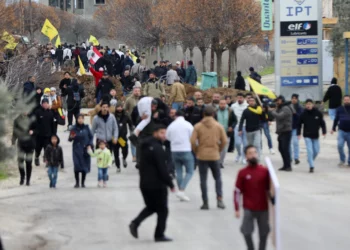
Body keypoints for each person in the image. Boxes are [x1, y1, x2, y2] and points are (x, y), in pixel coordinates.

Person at [129, 125, 175, 242]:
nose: (164, 135)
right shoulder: (157, 148)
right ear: (155, 133)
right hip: (157, 185)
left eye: (165, 133)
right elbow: (162, 168)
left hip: (144, 183)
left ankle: (135, 223)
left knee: (152, 207)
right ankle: (159, 235)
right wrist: (170, 183)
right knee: (163, 210)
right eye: (161, 133)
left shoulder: (145, 145)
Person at [234, 145, 270, 250]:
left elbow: (271, 189)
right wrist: (237, 208)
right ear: (246, 156)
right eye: (250, 153)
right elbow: (237, 191)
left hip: (263, 208)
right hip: (248, 207)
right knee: (246, 231)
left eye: (254, 152)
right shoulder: (242, 173)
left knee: (264, 233)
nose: (253, 155)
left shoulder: (265, 171)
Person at [191, 106, 227, 210]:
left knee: (203, 179)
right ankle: (219, 199)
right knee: (218, 178)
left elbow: (192, 141)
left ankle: (205, 202)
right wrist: (218, 150)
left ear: (203, 114)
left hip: (202, 155)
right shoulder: (218, 126)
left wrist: (197, 150)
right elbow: (224, 141)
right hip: (214, 155)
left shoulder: (198, 126)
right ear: (213, 114)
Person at [166, 110, 194, 201]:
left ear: (176, 116)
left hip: (174, 150)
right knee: (190, 171)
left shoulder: (171, 125)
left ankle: (181, 191)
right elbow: (192, 137)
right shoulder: (188, 125)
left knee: (178, 171)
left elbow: (167, 137)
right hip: (186, 149)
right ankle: (182, 190)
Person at [297, 99, 326, 173]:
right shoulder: (303, 114)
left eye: (310, 104)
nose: (308, 105)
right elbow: (299, 124)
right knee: (310, 150)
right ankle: (311, 166)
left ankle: (310, 160)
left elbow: (322, 123)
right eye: (307, 104)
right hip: (307, 135)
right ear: (305, 105)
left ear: (313, 105)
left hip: (315, 135)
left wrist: (324, 131)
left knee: (316, 151)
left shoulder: (318, 113)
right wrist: (298, 133)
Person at [69, 115, 93, 188]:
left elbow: (90, 137)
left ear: (83, 119)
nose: (80, 120)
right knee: (76, 165)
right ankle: (77, 182)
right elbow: (70, 139)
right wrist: (71, 137)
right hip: (76, 149)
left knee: (84, 166)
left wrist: (89, 144)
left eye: (81, 119)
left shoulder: (86, 127)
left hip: (85, 148)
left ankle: (83, 182)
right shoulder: (74, 128)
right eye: (79, 118)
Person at [270, 95, 294, 171]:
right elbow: (273, 117)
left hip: (286, 130)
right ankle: (285, 165)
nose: (277, 102)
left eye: (278, 100)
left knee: (285, 149)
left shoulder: (286, 108)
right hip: (281, 131)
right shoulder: (280, 108)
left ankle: (288, 166)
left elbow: (279, 116)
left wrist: (272, 111)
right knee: (281, 148)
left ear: (282, 100)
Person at [12, 113, 36, 186]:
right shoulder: (17, 120)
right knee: (20, 161)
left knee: (29, 162)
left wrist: (33, 131)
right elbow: (15, 131)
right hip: (21, 143)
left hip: (30, 143)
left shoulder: (32, 118)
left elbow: (37, 129)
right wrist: (13, 141)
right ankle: (22, 177)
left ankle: (28, 180)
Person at [217, 98, 237, 168]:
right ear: (219, 104)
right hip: (217, 134)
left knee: (224, 149)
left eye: (224, 104)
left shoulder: (230, 110)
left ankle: (220, 162)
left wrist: (232, 127)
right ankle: (216, 161)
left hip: (227, 133)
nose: (223, 105)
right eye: (221, 104)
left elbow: (235, 120)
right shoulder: (215, 111)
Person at [34, 99, 54, 166]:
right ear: (42, 104)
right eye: (44, 103)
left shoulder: (50, 113)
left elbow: (52, 125)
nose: (45, 104)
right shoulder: (38, 112)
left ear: (48, 104)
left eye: (46, 103)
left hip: (48, 135)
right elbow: (34, 123)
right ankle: (36, 157)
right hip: (39, 135)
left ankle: (46, 160)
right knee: (38, 149)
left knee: (47, 149)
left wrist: (54, 134)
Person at [114, 103, 133, 172]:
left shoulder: (125, 115)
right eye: (118, 107)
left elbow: (130, 123)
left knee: (125, 150)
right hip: (115, 137)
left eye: (120, 107)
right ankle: (118, 167)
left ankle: (124, 158)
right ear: (116, 108)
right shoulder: (113, 116)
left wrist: (132, 129)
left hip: (122, 137)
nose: (119, 108)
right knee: (116, 153)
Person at [331, 95, 350, 167]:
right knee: (339, 145)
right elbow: (336, 119)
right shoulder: (339, 109)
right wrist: (333, 128)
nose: (346, 101)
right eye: (345, 100)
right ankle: (342, 159)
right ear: (343, 101)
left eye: (348, 99)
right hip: (341, 131)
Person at [232, 93, 248, 164]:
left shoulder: (247, 106)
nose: (239, 99)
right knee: (237, 143)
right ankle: (239, 153)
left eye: (241, 97)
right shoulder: (233, 106)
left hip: (246, 126)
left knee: (245, 144)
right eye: (238, 97)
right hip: (237, 127)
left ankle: (244, 157)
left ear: (244, 98)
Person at [290, 94, 303, 165]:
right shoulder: (288, 106)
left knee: (295, 143)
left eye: (295, 98)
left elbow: (301, 118)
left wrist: (295, 113)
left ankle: (296, 158)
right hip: (288, 127)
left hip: (296, 128)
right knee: (289, 144)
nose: (294, 99)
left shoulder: (299, 108)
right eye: (292, 98)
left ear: (297, 99)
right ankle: (289, 158)